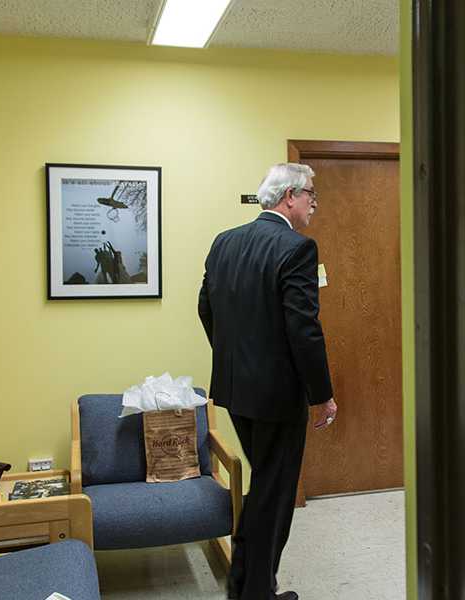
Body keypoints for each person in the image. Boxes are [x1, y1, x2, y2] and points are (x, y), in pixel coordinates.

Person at [198, 163, 337, 600]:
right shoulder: (297, 249)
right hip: (277, 397)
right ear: (289, 196)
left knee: (266, 488)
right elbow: (304, 329)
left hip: (236, 391)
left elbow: (206, 308)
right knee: (272, 496)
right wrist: (323, 396)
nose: (315, 203)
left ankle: (251, 586)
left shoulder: (225, 242)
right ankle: (253, 590)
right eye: (311, 194)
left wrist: (235, 359)